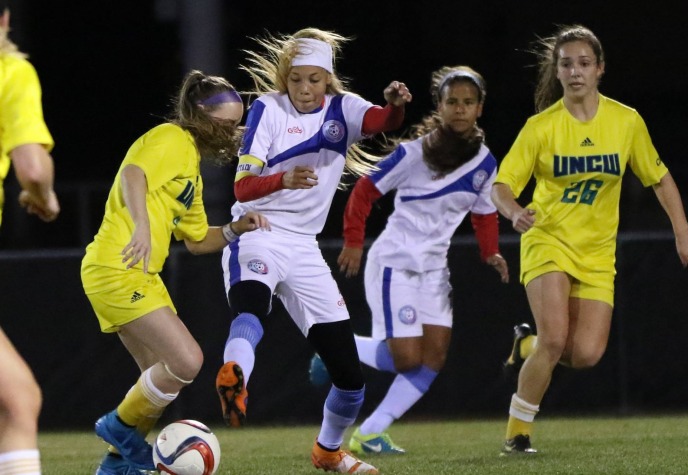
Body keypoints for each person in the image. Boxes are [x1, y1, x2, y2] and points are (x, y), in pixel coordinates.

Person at [492, 24, 688, 454]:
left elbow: (660, 179)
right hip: (547, 239)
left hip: (596, 253)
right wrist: (514, 211)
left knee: (586, 354)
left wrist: (683, 234)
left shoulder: (625, 121)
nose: (575, 72)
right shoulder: (541, 127)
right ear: (557, 70)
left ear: (600, 69)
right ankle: (518, 433)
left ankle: (526, 344)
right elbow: (502, 185)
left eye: (584, 63)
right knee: (555, 338)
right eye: (566, 63)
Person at [215, 27, 411, 474]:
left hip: (305, 248)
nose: (304, 89)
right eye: (297, 79)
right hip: (258, 228)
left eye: (314, 80)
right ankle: (234, 377)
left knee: (349, 379)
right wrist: (281, 178)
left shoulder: (345, 109)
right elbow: (243, 184)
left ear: (329, 79)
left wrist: (396, 105)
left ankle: (328, 451)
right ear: (286, 78)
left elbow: (384, 122)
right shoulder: (268, 108)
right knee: (251, 306)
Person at [311, 65, 509, 455]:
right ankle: (336, 348)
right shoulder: (414, 153)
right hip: (394, 262)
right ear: (440, 105)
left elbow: (484, 213)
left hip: (434, 270)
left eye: (469, 103)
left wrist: (491, 252)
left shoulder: (485, 162)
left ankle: (370, 432)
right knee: (405, 358)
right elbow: (364, 191)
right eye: (452, 101)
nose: (460, 109)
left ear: (480, 109)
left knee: (432, 357)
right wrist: (354, 242)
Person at [81, 70, 270, 475]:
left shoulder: (192, 169)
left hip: (137, 274)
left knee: (155, 382)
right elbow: (133, 173)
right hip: (118, 267)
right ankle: (115, 426)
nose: (230, 133)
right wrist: (144, 228)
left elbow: (199, 240)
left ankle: (117, 469)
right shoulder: (172, 138)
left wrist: (237, 228)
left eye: (236, 125)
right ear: (200, 116)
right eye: (224, 124)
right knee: (187, 362)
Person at [0, 3, 59, 474]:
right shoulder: (11, 71)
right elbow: (33, 167)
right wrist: (44, 196)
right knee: (17, 400)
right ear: (4, 21)